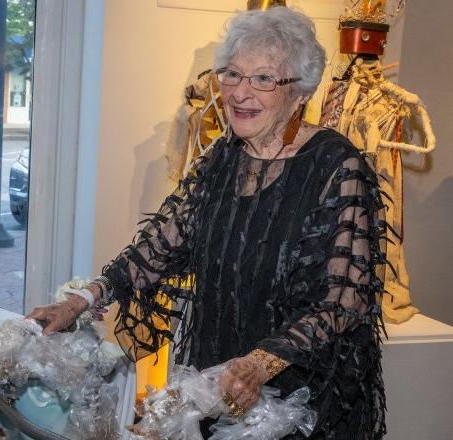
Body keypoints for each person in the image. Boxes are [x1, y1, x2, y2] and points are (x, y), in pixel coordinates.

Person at [28, 7, 386, 439]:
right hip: (216, 381)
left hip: (300, 397)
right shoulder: (223, 156)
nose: (240, 92)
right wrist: (83, 299)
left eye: (264, 78)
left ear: (300, 91)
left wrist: (260, 363)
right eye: (232, 74)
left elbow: (343, 301)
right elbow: (162, 245)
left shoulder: (336, 165)